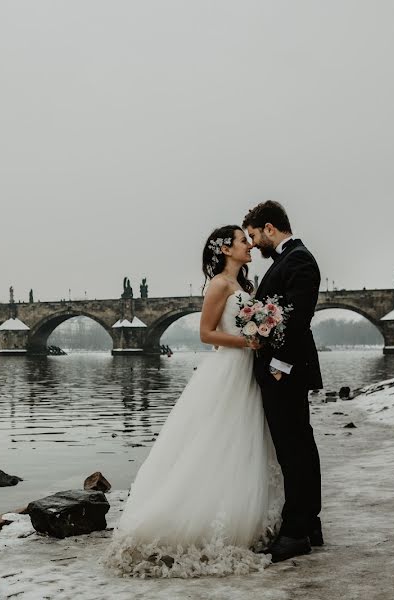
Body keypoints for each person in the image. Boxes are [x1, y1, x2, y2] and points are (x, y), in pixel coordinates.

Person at [103, 225, 283, 578]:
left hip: (247, 370)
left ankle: (245, 515)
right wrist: (248, 341)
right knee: (218, 439)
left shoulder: (245, 286)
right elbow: (206, 334)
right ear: (226, 250)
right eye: (243, 241)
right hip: (230, 368)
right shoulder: (217, 284)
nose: (249, 245)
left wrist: (259, 331)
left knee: (244, 442)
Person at [244, 200, 323, 562]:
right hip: (283, 372)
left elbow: (297, 318)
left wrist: (279, 364)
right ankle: (308, 524)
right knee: (298, 447)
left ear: (270, 228)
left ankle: (296, 532)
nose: (254, 242)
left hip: (284, 373)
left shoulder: (299, 260)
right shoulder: (286, 260)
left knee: (294, 451)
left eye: (254, 235)